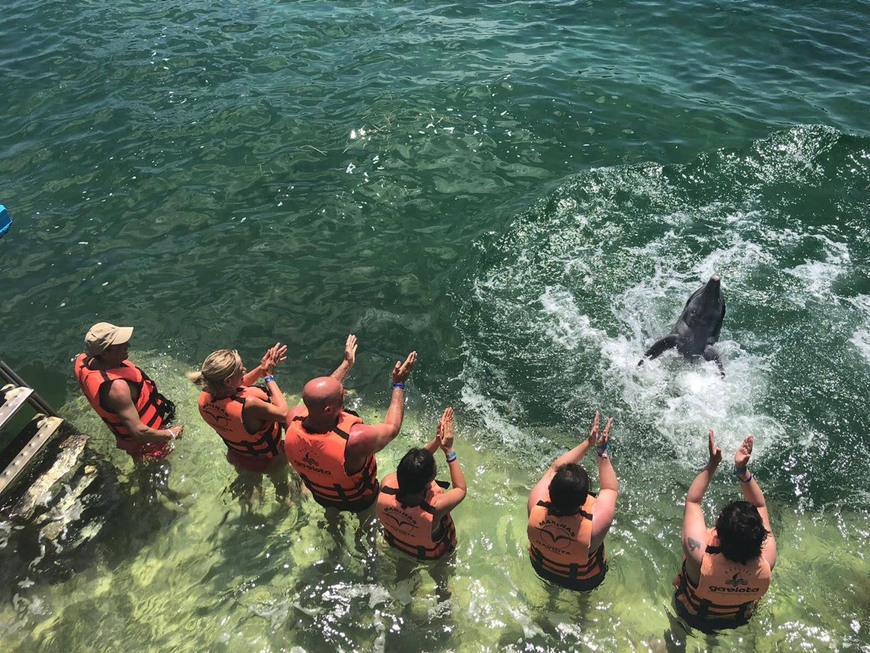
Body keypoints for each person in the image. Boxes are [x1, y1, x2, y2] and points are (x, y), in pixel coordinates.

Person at [284, 348, 417, 514]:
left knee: (331, 519)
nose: (345, 394)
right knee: (365, 528)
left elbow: (318, 396)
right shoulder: (355, 440)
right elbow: (392, 428)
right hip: (359, 502)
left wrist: (347, 364)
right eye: (342, 395)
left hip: (322, 495)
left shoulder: (293, 419)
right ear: (328, 409)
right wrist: (398, 384)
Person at [673, 430, 777, 631]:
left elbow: (693, 501)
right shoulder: (768, 560)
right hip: (737, 620)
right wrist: (741, 469)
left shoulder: (700, 559)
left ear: (718, 536)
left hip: (692, 615)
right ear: (761, 538)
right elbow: (760, 505)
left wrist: (713, 463)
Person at [188, 342, 291, 509]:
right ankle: (285, 508)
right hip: (268, 459)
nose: (244, 370)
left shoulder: (206, 397)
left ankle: (248, 507)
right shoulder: (249, 405)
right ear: (228, 381)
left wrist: (262, 367)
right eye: (241, 369)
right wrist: (268, 376)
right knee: (283, 490)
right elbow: (284, 412)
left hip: (238, 456)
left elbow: (239, 387)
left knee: (251, 492)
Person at [527, 411, 618, 591]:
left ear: (550, 491)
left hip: (542, 567)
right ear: (585, 499)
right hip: (582, 580)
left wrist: (587, 443)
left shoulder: (535, 503)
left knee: (550, 588)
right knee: (583, 602)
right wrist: (601, 450)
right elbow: (610, 488)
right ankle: (582, 611)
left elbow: (555, 468)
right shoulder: (596, 525)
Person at [75, 322, 183, 460]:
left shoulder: (84, 362)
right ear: (105, 352)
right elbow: (138, 432)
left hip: (128, 436)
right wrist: (172, 433)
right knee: (160, 468)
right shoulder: (117, 389)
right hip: (148, 442)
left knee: (140, 463)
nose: (128, 345)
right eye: (120, 344)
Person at [377, 407, 467, 561]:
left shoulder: (386, 485)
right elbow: (461, 489)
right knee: (441, 581)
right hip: (431, 557)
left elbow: (411, 470)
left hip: (398, 546)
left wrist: (438, 441)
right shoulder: (435, 508)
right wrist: (449, 450)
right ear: (429, 482)